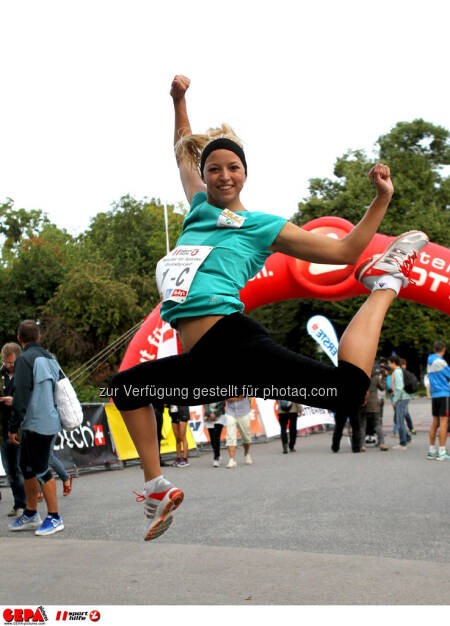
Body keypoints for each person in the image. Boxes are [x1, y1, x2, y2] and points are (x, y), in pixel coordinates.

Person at [110, 74, 429, 541]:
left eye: (232, 167)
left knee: (346, 392)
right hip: (208, 363)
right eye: (214, 168)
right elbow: (183, 149)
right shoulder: (198, 210)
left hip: (233, 342)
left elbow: (342, 252)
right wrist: (180, 101)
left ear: (245, 172)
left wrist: (381, 199)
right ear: (205, 174)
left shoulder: (261, 226)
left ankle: (385, 282)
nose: (222, 175)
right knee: (128, 389)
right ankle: (156, 488)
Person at [8, 320, 64, 536]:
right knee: (27, 466)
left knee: (40, 468)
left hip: (35, 422)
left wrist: (13, 425)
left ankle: (55, 517)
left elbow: (20, 395)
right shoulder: (50, 358)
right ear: (39, 337)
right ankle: (31, 513)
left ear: (20, 340)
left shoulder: (24, 359)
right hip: (49, 419)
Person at [0, 343, 26, 517]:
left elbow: (27, 397)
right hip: (2, 428)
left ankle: (23, 504)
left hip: (19, 427)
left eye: (11, 362)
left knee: (18, 469)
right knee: (9, 470)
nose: (8, 365)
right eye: (6, 362)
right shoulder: (1, 375)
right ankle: (17, 504)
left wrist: (14, 400)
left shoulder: (24, 373)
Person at [426, 341, 450, 461]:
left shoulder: (429, 361)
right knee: (444, 423)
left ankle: (431, 451)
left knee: (435, 423)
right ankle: (441, 452)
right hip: (444, 394)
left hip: (435, 395)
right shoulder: (441, 362)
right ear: (444, 349)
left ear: (434, 348)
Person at [359, 364, 388, 451]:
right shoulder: (375, 378)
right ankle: (382, 443)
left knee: (362, 425)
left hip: (364, 405)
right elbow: (382, 387)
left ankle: (362, 445)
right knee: (377, 425)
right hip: (375, 405)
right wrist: (384, 377)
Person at [388, 356, 411, 450]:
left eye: (389, 363)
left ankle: (403, 443)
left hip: (401, 399)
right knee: (400, 419)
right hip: (405, 397)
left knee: (399, 420)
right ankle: (407, 437)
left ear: (393, 363)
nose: (389, 365)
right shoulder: (400, 370)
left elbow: (399, 388)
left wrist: (395, 400)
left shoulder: (397, 372)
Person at [224, 396, 253, 468]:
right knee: (230, 436)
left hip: (244, 412)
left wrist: (234, 398)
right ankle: (232, 460)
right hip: (230, 413)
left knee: (246, 437)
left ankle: (246, 453)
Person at [203, 401, 227, 467]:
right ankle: (217, 453)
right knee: (212, 437)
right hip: (209, 415)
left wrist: (215, 414)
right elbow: (205, 404)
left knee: (216, 436)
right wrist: (210, 413)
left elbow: (223, 404)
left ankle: (216, 458)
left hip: (220, 415)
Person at [399, 358, 416, 435]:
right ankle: (410, 429)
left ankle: (406, 431)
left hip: (403, 396)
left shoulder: (400, 372)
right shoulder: (404, 372)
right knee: (404, 413)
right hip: (405, 396)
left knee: (403, 414)